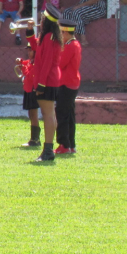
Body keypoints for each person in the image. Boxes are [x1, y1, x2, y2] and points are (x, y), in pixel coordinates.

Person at [31, 3, 64, 161]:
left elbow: (46, 63)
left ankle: (48, 149)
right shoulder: (49, 37)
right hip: (48, 80)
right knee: (48, 114)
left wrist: (41, 84)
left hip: (48, 80)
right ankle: (48, 148)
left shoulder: (50, 37)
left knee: (48, 114)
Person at [54, 18, 82, 155]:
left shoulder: (70, 46)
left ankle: (64, 144)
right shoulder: (73, 44)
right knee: (69, 115)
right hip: (71, 83)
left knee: (62, 114)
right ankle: (70, 144)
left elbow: (60, 63)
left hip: (66, 83)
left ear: (65, 32)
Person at [16, 42, 41, 148]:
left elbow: (29, 75)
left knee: (34, 114)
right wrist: (21, 62)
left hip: (32, 90)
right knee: (31, 114)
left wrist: (23, 68)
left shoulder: (36, 63)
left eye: (30, 50)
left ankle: (35, 139)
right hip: (28, 90)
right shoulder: (31, 62)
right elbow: (25, 63)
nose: (28, 52)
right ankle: (33, 138)